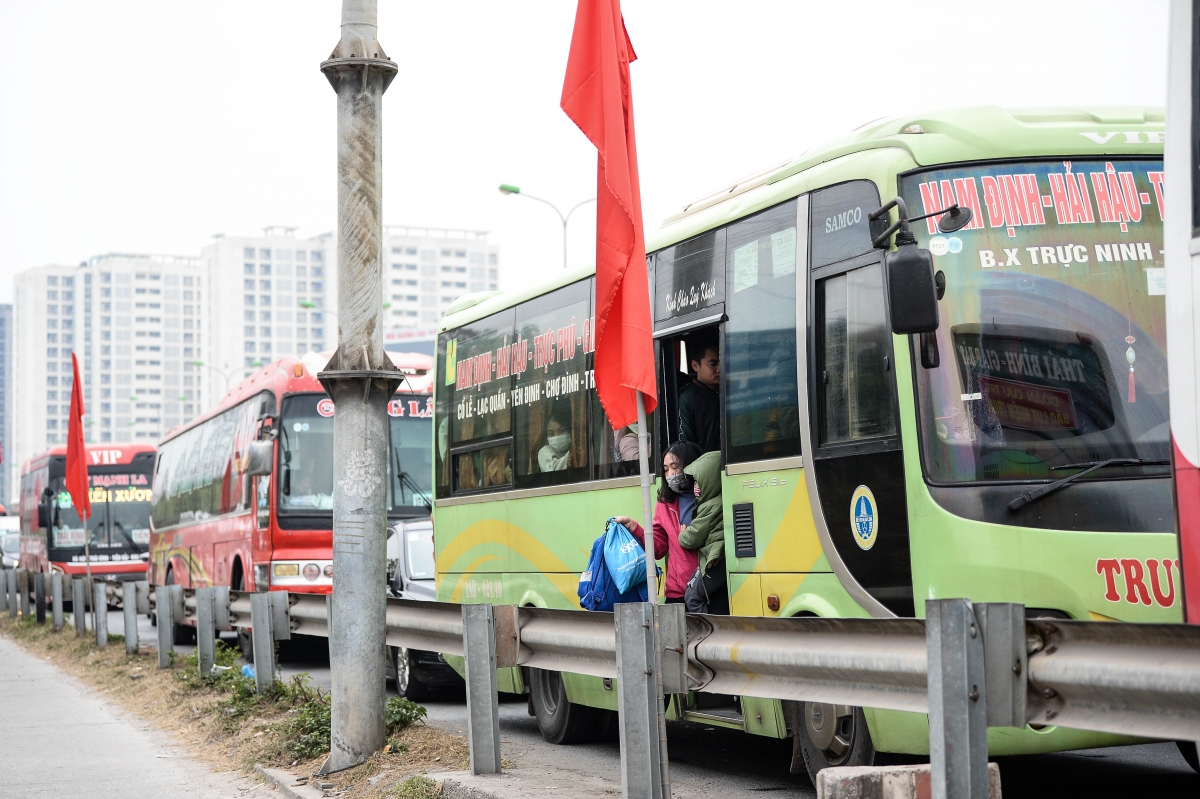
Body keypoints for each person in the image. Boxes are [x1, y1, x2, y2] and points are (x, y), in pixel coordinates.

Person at [613, 441, 703, 603]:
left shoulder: (708, 497)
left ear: (690, 465)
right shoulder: (665, 503)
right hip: (678, 592)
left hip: (707, 587)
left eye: (675, 467)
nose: (670, 474)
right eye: (666, 469)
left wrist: (691, 537)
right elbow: (659, 549)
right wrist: (635, 527)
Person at [678, 450, 728, 614]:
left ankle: (706, 634)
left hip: (714, 558)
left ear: (711, 480)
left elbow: (692, 538)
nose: (696, 487)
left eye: (699, 481)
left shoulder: (712, 505)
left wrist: (682, 533)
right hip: (717, 557)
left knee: (692, 595)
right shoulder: (717, 500)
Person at [678, 330, 721, 453]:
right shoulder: (687, 398)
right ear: (695, 366)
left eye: (722, 361)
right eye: (713, 364)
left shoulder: (732, 391)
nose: (719, 368)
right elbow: (686, 445)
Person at [538, 404, 573, 472]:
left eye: (561, 431)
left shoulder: (573, 445)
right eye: (551, 434)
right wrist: (573, 453)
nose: (556, 436)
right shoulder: (545, 451)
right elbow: (553, 469)